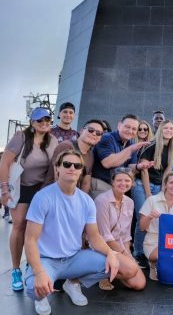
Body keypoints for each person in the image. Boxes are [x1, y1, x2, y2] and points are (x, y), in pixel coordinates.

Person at [24, 150, 119, 315]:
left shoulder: (87, 201)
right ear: (57, 168)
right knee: (34, 288)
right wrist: (39, 272)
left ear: (81, 170)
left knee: (110, 265)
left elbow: (94, 236)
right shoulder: (43, 197)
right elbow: (30, 240)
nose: (72, 168)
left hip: (73, 258)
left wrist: (110, 253)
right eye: (67, 164)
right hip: (46, 259)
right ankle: (42, 296)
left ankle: (73, 283)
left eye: (77, 165)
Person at [0, 107, 58, 292]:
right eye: (40, 120)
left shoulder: (53, 140)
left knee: (38, 230)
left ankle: (32, 266)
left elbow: (55, 166)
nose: (44, 123)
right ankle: (16, 269)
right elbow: (5, 163)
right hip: (20, 186)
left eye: (48, 120)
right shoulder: (21, 137)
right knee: (19, 225)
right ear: (32, 123)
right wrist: (4, 190)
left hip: (41, 189)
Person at [132, 120, 173, 268]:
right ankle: (137, 253)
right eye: (166, 128)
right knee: (142, 218)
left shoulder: (171, 150)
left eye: (171, 128)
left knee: (154, 220)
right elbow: (144, 170)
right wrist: (149, 193)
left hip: (158, 187)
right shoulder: (150, 145)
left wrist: (163, 190)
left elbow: (166, 173)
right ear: (161, 129)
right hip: (142, 185)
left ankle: (147, 251)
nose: (169, 130)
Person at [95, 167, 146, 291]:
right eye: (119, 180)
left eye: (127, 180)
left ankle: (114, 269)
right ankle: (99, 274)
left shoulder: (129, 202)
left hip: (119, 246)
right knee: (131, 269)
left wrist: (127, 253)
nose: (123, 183)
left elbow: (126, 234)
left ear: (132, 183)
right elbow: (105, 236)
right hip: (103, 247)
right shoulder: (102, 201)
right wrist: (125, 256)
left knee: (139, 284)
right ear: (112, 182)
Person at [139, 170, 173, 281]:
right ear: (165, 184)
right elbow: (141, 227)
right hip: (153, 240)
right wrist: (150, 216)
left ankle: (164, 267)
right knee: (161, 255)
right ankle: (153, 263)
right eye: (171, 182)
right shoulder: (152, 200)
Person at [91, 114, 151, 198]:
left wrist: (139, 167)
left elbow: (130, 167)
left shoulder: (131, 144)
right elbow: (107, 163)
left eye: (134, 129)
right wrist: (130, 150)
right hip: (100, 184)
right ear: (119, 125)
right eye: (127, 127)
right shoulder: (107, 138)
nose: (130, 131)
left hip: (117, 188)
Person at [43, 119, 105, 192]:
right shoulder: (66, 147)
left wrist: (81, 200)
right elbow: (58, 178)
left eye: (98, 133)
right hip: (52, 193)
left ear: (100, 138)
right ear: (82, 131)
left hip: (72, 194)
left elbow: (86, 183)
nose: (94, 134)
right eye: (90, 130)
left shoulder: (90, 155)